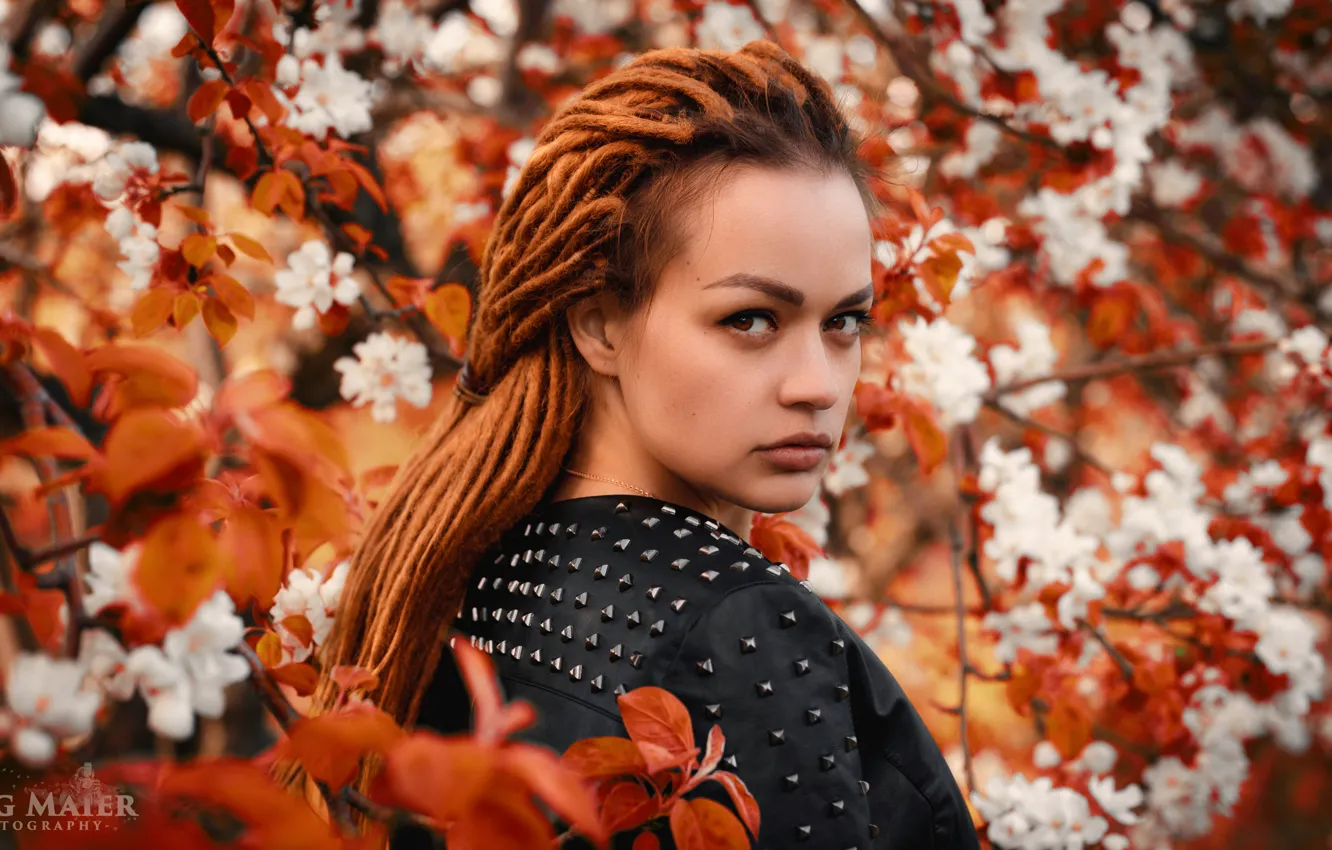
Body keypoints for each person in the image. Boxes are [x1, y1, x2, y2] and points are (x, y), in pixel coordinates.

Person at [312, 39, 981, 850]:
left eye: (843, 322)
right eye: (751, 320)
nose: (817, 383)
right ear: (599, 325)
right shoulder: (741, 623)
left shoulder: (475, 566)